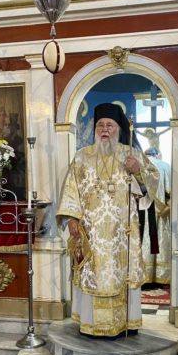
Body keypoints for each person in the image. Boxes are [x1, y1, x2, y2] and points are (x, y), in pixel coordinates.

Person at [56, 102, 159, 338]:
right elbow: (71, 189)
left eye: (109, 125)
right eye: (100, 125)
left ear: (118, 129)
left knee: (122, 273)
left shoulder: (130, 154)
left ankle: (126, 323)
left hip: (122, 233)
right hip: (90, 231)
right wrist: (72, 218)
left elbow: (151, 185)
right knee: (92, 274)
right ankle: (90, 324)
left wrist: (138, 171)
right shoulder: (82, 156)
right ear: (95, 129)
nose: (105, 129)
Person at [140, 147, 171, 285]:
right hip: (160, 212)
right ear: (158, 154)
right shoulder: (166, 166)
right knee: (159, 241)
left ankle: (143, 276)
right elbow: (171, 191)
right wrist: (166, 208)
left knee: (143, 241)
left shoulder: (139, 165)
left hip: (141, 211)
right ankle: (159, 276)